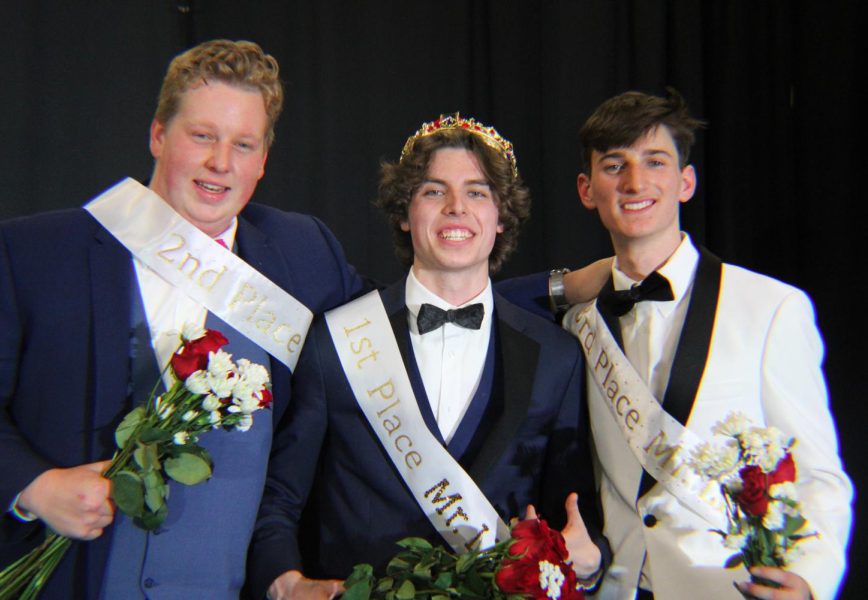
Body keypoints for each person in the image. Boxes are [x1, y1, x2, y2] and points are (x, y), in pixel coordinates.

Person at [0, 40, 362, 598]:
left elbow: (389, 342)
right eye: (202, 136)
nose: (220, 163)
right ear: (158, 135)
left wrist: (530, 305)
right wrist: (33, 487)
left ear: (263, 160)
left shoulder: (304, 253)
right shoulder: (32, 253)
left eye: (243, 144)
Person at [250, 114, 609, 599]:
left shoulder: (556, 356)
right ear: (404, 212)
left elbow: (575, 521)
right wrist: (284, 583)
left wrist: (587, 567)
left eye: (478, 192)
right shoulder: (336, 339)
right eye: (434, 191)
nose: (456, 208)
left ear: (501, 217)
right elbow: (278, 498)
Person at [530, 90, 852, 599]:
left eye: (655, 162)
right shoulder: (576, 326)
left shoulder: (770, 308)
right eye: (615, 165)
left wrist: (811, 579)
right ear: (586, 189)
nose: (635, 182)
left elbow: (817, 471)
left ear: (685, 182)